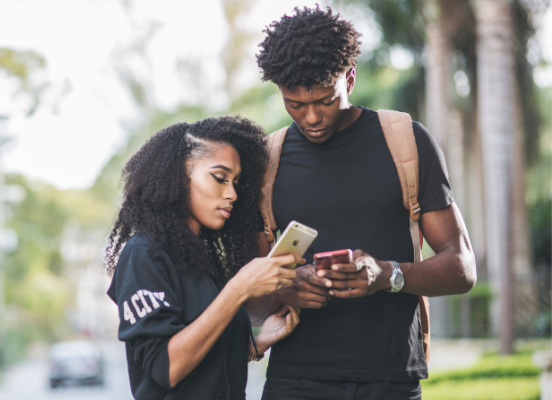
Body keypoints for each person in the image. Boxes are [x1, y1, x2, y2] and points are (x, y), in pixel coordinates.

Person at [249, 6, 477, 400]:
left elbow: (463, 267)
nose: (311, 117)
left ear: (349, 79)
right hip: (295, 381)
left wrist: (388, 274)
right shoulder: (267, 161)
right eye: (295, 104)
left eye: (324, 100)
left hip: (390, 381)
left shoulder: (406, 141)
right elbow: (247, 288)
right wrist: (288, 287)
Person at [105, 116, 303, 400]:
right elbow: (167, 367)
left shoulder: (200, 258)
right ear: (177, 175)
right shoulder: (143, 254)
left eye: (235, 182)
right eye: (220, 178)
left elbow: (205, 367)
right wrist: (238, 289)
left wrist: (256, 344)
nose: (232, 193)